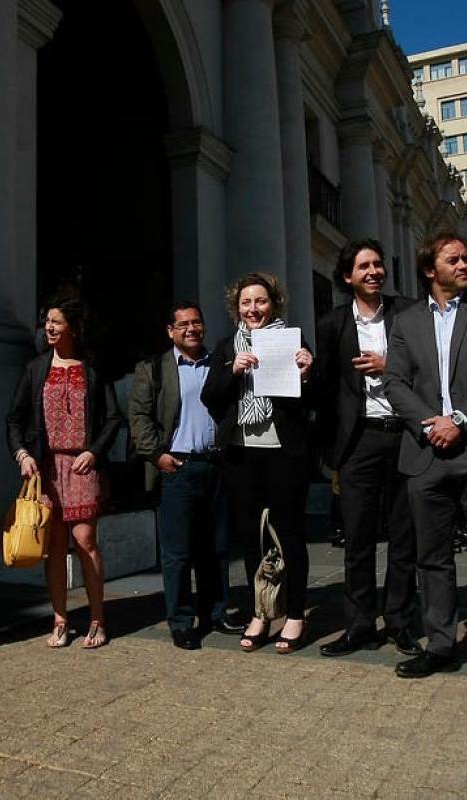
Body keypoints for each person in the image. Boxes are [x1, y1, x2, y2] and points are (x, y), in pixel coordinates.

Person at [383, 232, 467, 695]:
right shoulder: (405, 322)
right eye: (454, 259)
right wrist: (430, 425)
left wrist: (458, 420)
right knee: (431, 559)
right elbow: (395, 382)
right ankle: (440, 645)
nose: (465, 265)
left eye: (466, 258)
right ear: (430, 269)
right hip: (426, 454)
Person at [314, 239, 420, 658]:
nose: (374, 271)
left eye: (378, 264)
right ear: (348, 276)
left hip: (406, 435)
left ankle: (400, 622)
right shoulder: (332, 323)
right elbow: (325, 388)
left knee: (405, 536)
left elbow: (428, 369)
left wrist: (388, 365)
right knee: (357, 539)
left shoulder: (409, 312)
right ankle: (359, 626)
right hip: (359, 440)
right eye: (364, 266)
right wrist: (331, 451)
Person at [200, 272, 314, 654]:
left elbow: (312, 399)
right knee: (251, 536)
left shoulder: (293, 339)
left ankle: (295, 614)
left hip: (283, 451)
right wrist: (232, 371)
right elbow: (210, 397)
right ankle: (260, 613)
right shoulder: (225, 347)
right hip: (240, 452)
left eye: (260, 301)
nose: (253, 309)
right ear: (237, 307)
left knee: (289, 534)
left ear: (274, 303)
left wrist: (307, 372)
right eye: (246, 302)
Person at [6, 296, 121, 649]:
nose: (50, 328)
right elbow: (14, 419)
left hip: (82, 466)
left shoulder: (92, 368)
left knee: (85, 542)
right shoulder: (35, 368)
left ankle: (98, 620)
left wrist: (93, 451)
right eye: (47, 322)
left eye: (56, 322)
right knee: (54, 546)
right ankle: (60, 620)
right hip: (45, 469)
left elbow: (113, 418)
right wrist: (22, 454)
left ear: (73, 326)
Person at [128, 302, 242, 650]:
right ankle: (180, 621)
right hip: (177, 469)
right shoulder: (153, 369)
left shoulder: (220, 363)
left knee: (216, 548)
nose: (192, 329)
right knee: (178, 553)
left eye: (197, 322)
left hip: (215, 465)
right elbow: (139, 417)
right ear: (171, 331)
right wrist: (157, 456)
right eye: (183, 324)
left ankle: (216, 612)